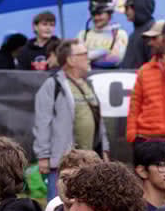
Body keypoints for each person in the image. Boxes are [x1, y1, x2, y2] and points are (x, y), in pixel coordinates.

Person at [33, 39, 110, 199]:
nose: (88, 58)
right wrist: (43, 156)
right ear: (70, 59)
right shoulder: (52, 85)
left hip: (90, 162)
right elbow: (42, 122)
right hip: (63, 163)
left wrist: (104, 150)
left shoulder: (86, 84)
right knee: (59, 204)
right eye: (83, 54)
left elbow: (97, 119)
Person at [77, 0, 126, 68]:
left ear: (109, 14)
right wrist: (106, 52)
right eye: (93, 14)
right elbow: (77, 60)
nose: (96, 18)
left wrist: (88, 57)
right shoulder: (83, 35)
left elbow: (116, 59)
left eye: (99, 14)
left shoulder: (119, 34)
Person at [119, 0, 157, 69]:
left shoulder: (152, 32)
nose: (125, 12)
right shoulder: (135, 34)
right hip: (130, 78)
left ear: (139, 7)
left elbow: (154, 64)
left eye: (127, 7)